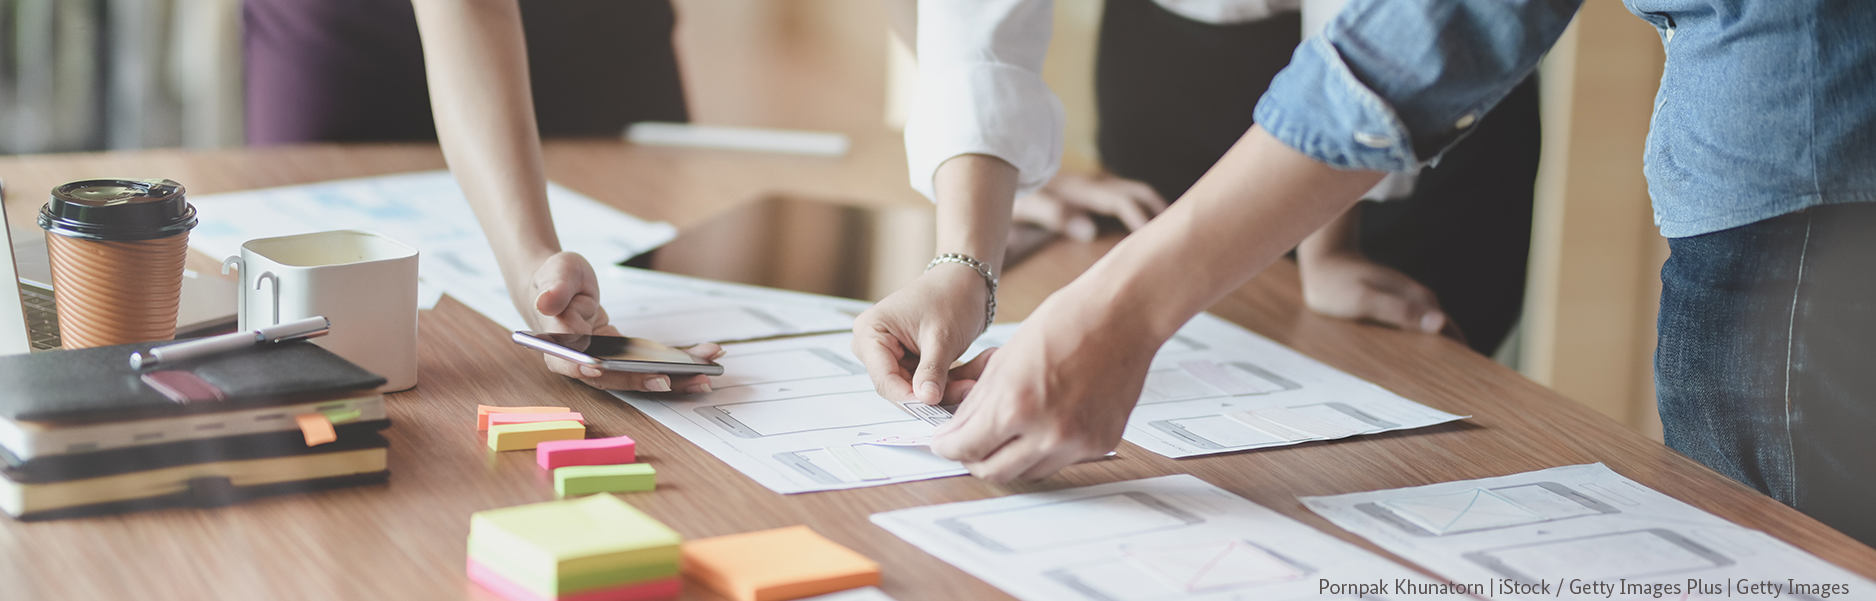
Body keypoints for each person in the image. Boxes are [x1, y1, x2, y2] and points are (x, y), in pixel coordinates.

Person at [863, 0, 1876, 546]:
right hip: (1782, 137)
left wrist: (1125, 310)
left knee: (1786, 549)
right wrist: (966, 257)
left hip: (1809, 131)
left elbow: (1420, 29)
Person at [1016, 0, 1541, 355]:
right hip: (1173, 57)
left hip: (1417, 87)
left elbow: (1401, 27)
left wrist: (1328, 245)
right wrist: (1003, 152)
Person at [245, 0, 718, 392]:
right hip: (351, 31)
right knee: (317, 309)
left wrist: (550, 291)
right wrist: (530, 264)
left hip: (597, 28)